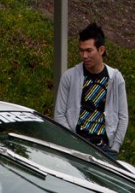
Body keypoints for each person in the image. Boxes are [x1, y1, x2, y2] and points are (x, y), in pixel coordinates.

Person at [54, 22, 128, 159]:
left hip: (105, 148)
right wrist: (72, 142)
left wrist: (115, 147)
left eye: (89, 50)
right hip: (76, 147)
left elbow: (123, 116)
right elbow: (59, 114)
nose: (84, 56)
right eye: (81, 50)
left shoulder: (115, 78)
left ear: (101, 50)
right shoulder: (69, 77)